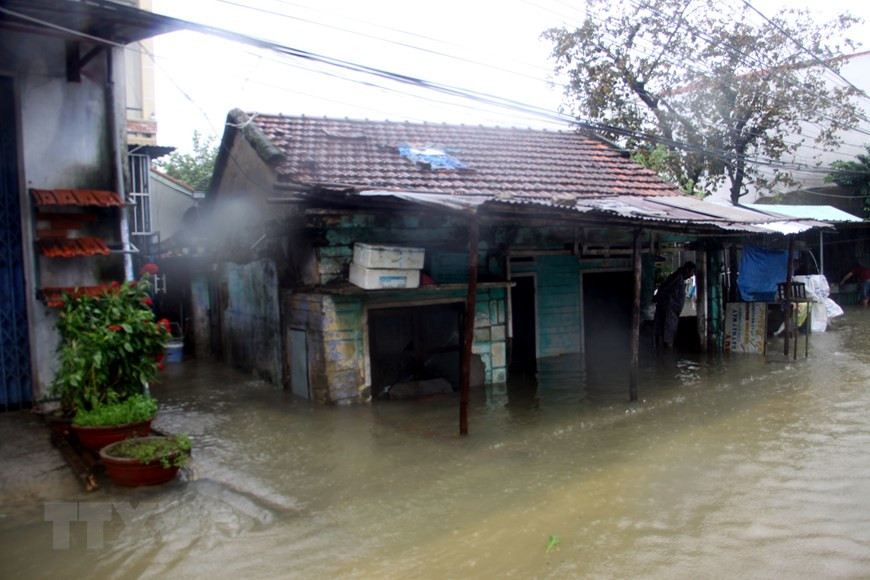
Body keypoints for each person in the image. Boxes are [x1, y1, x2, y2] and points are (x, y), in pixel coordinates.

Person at [653, 261, 696, 348]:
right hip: (669, 310)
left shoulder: (678, 277)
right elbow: (665, 288)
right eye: (692, 272)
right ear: (687, 270)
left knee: (663, 332)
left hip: (669, 309)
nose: (692, 275)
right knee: (667, 334)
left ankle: (662, 353)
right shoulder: (677, 277)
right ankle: (666, 353)